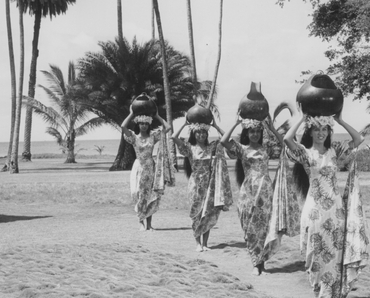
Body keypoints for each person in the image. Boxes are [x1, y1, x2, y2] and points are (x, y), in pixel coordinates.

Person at [283, 111, 370, 298]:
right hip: (314, 210)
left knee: (334, 253)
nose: (321, 133)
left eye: (324, 129)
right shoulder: (305, 153)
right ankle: (320, 297)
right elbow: (288, 139)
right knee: (316, 253)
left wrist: (339, 120)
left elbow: (358, 139)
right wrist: (302, 119)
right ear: (310, 132)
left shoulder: (334, 152)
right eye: (317, 129)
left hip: (335, 210)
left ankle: (331, 296)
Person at [221, 114, 285, 276]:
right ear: (247, 133)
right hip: (248, 193)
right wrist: (236, 123)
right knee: (249, 227)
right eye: (251, 131)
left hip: (265, 192)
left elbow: (284, 144)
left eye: (258, 131)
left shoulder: (266, 149)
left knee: (264, 228)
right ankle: (255, 262)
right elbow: (223, 141)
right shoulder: (241, 149)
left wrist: (271, 129)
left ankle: (260, 262)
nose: (255, 134)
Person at [172, 117, 232, 251]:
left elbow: (225, 139)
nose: (201, 135)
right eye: (198, 132)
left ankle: (205, 244)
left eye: (204, 132)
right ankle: (198, 244)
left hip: (210, 184)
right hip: (195, 184)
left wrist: (216, 126)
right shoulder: (189, 147)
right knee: (196, 213)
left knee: (208, 213)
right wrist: (184, 125)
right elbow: (174, 137)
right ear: (193, 133)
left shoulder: (212, 147)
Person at [120, 110, 171, 231]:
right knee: (139, 194)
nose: (144, 125)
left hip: (150, 167)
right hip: (138, 167)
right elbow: (123, 126)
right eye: (141, 123)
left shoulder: (153, 136)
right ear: (138, 124)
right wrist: (132, 113)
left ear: (149, 125)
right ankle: (141, 222)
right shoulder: (133, 137)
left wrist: (157, 115)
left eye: (146, 123)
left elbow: (168, 127)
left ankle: (149, 224)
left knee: (150, 195)